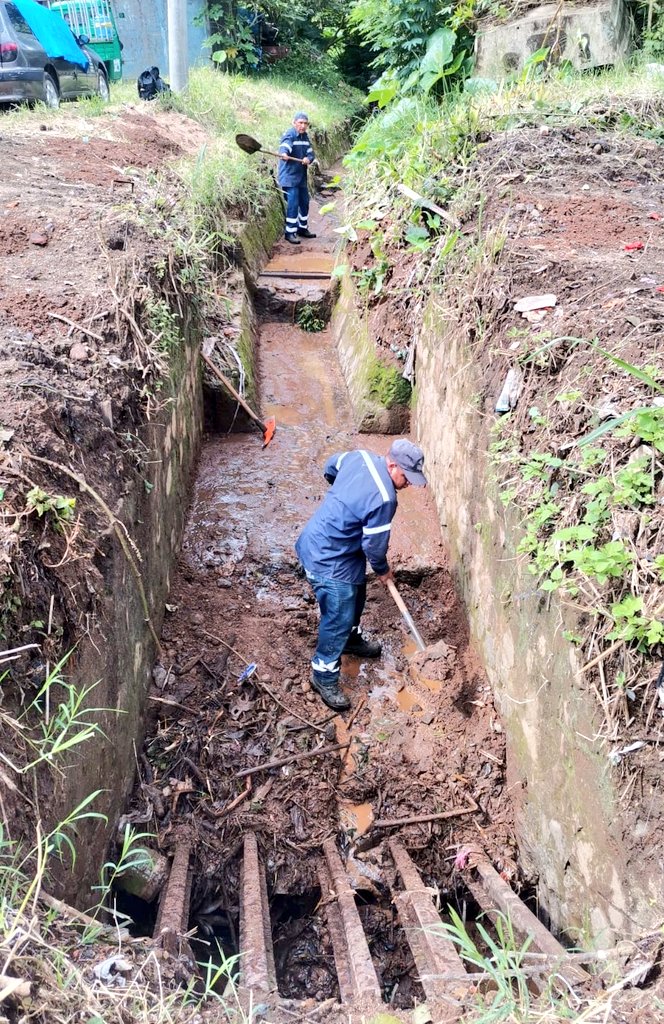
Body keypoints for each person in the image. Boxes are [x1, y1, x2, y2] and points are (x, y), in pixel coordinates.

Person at [295, 439, 427, 711]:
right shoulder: (385, 498)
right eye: (406, 476)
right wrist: (383, 570)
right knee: (339, 615)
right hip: (327, 558)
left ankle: (351, 640)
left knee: (358, 593)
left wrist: (346, 499)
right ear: (392, 464)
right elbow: (374, 547)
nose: (409, 483)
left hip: (337, 549)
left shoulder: (359, 457)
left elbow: (331, 466)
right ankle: (323, 675)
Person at [278, 112, 316, 245]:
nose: (303, 125)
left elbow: (311, 154)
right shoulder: (290, 135)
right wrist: (284, 154)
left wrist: (308, 159)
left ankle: (302, 228)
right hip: (289, 177)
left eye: (305, 123)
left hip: (301, 177)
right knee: (293, 204)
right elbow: (285, 146)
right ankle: (290, 233)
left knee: (304, 202)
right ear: (294, 123)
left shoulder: (305, 137)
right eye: (300, 123)